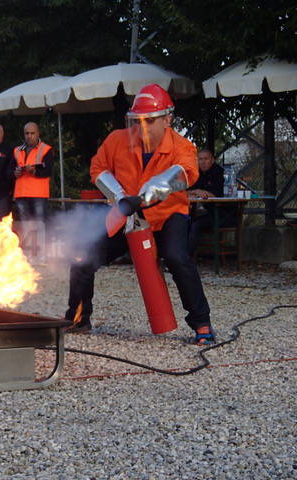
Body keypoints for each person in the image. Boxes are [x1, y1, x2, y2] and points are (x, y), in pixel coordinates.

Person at [67, 84, 215, 345]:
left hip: (168, 214)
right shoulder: (117, 140)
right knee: (82, 257)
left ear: (168, 119)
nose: (143, 128)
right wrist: (121, 196)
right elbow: (98, 169)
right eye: (138, 121)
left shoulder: (183, 147)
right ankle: (78, 318)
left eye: (150, 120)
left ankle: (202, 324)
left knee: (177, 257)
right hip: (127, 214)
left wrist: (149, 195)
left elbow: (186, 173)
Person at [13, 122, 54, 261]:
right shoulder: (17, 150)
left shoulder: (46, 149)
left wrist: (34, 171)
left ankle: (41, 254)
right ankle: (30, 254)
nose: (29, 136)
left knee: (39, 224)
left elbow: (48, 171)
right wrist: (16, 172)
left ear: (38, 133)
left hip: (38, 193)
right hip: (21, 192)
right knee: (26, 225)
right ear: (23, 134)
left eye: (32, 133)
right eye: (27, 133)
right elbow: (10, 169)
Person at [187, 149, 236, 255]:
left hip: (223, 214)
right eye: (200, 159)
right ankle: (178, 257)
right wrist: (197, 191)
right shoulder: (196, 173)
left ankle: (186, 258)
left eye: (206, 159)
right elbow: (186, 192)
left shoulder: (220, 173)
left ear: (212, 160)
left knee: (196, 225)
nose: (203, 162)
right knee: (182, 221)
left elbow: (216, 194)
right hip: (205, 213)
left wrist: (203, 193)